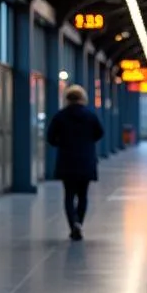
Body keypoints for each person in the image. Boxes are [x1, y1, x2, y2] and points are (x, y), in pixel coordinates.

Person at [47, 84, 104, 240]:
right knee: (83, 195)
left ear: (67, 99)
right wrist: (87, 143)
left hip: (67, 161)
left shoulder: (60, 116)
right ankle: (79, 223)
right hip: (86, 161)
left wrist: (63, 143)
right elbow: (100, 133)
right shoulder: (90, 115)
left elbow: (50, 138)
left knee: (69, 195)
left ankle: (73, 224)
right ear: (82, 98)